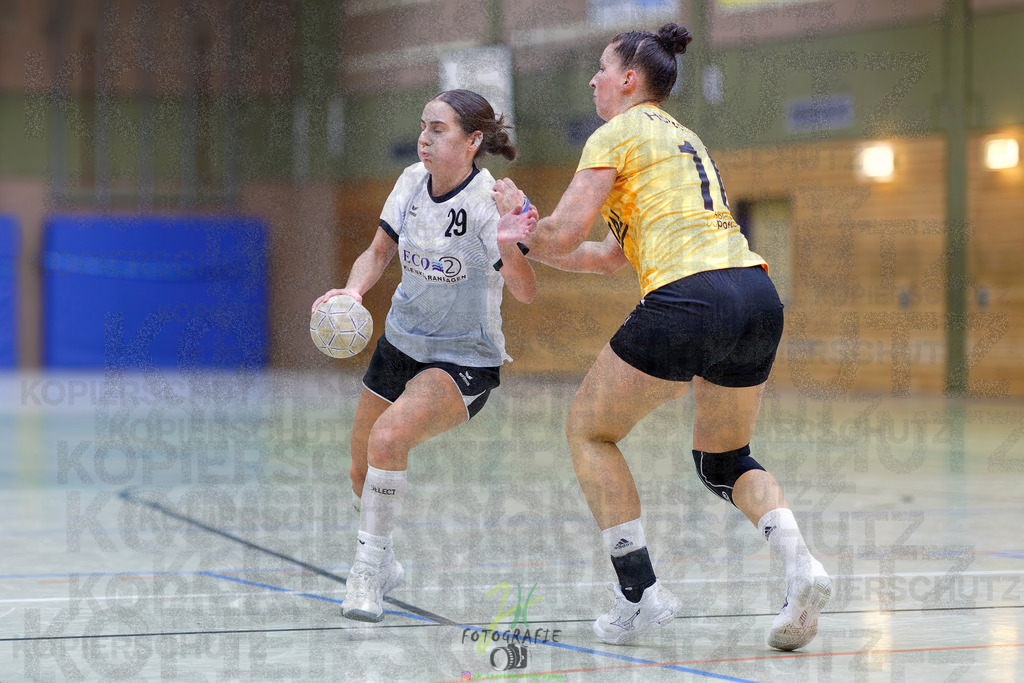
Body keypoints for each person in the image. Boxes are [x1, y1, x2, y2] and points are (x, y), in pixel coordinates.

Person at [492, 24, 831, 650]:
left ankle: (640, 596)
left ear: (629, 79)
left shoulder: (615, 132)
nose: (593, 79)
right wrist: (525, 238)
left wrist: (515, 223)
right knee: (723, 459)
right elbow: (599, 257)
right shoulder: (684, 140)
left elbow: (563, 232)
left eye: (601, 67)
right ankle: (801, 566)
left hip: (690, 297)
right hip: (756, 294)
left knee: (590, 431)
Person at [313, 89, 537, 623]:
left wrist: (509, 239)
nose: (424, 137)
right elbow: (377, 252)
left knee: (389, 439)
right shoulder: (410, 183)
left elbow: (526, 291)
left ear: (472, 141)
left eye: (438, 128)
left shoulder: (487, 202)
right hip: (400, 342)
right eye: (422, 126)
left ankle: (365, 574)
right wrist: (353, 293)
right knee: (360, 466)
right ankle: (385, 561)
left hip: (464, 358)